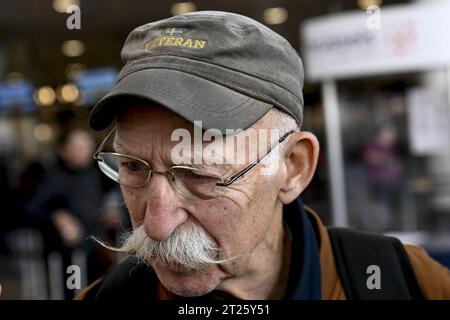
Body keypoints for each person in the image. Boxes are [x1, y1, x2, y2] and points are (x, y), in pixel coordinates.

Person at [76, 11, 450, 300]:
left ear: (293, 167)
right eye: (132, 166)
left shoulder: (407, 283)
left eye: (200, 175)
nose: (156, 225)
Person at [26, 126, 123, 298]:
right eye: (77, 147)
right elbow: (30, 210)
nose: (84, 152)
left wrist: (112, 214)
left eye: (87, 146)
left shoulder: (98, 172)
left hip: (99, 250)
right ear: (63, 150)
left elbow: (113, 200)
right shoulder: (52, 177)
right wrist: (57, 216)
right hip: (68, 257)